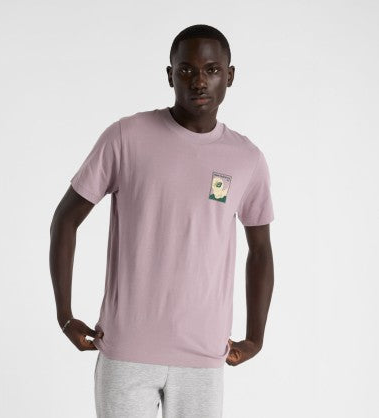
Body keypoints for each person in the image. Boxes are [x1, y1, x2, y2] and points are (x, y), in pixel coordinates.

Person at [49, 24, 275, 418]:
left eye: (212, 70)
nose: (199, 81)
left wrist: (255, 337)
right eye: (186, 70)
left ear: (230, 75)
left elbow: (261, 251)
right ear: (170, 75)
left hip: (203, 356)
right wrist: (64, 315)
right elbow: (65, 221)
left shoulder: (247, 159)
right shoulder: (126, 137)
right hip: (126, 351)